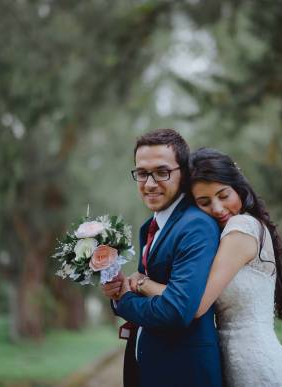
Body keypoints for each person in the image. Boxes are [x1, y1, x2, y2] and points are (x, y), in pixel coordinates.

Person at [130, 147, 282, 387]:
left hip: (256, 369)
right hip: (234, 363)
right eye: (204, 202)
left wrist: (142, 283)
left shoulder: (241, 228)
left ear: (239, 188)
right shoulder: (229, 233)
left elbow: (195, 304)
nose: (218, 208)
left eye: (224, 195)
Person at [101, 130, 223, 387]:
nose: (150, 183)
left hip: (184, 374)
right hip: (146, 370)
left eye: (162, 172)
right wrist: (118, 290)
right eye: (142, 173)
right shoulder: (150, 226)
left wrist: (124, 299)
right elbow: (146, 294)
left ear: (184, 174)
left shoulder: (196, 226)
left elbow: (177, 311)